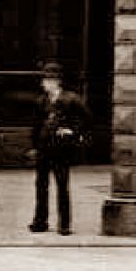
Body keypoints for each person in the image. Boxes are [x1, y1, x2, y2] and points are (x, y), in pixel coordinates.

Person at [30, 61, 91, 236]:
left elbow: (87, 119)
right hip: (43, 149)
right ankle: (40, 221)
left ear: (56, 82)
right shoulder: (41, 101)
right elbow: (36, 126)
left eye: (47, 80)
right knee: (41, 186)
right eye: (44, 80)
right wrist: (33, 146)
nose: (44, 83)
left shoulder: (71, 99)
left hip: (61, 149)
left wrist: (72, 131)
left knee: (62, 185)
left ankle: (64, 224)